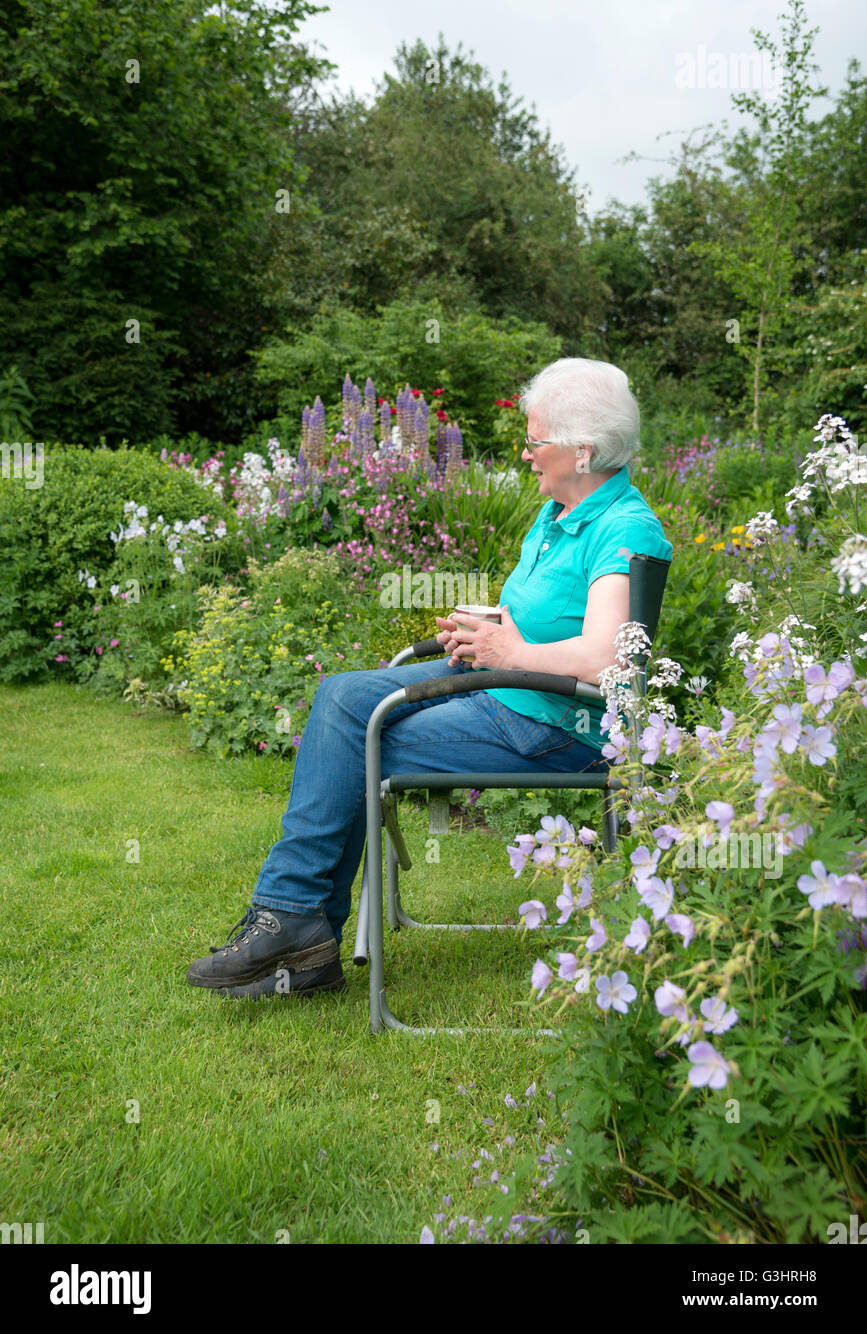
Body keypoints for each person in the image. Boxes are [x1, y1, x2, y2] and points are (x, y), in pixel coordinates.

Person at [186, 357, 673, 999]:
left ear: (582, 451)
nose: (525, 454)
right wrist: (490, 628)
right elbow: (551, 623)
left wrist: (507, 649)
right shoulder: (559, 513)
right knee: (339, 697)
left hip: (554, 723)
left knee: (359, 742)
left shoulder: (624, 528)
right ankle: (299, 927)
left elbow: (610, 659)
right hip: (511, 687)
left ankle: (296, 928)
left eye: (534, 441)